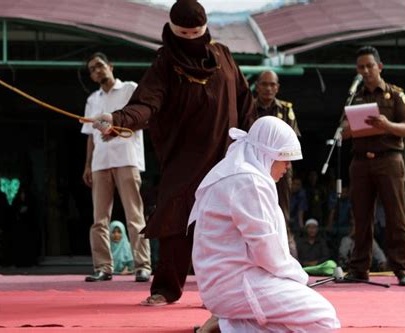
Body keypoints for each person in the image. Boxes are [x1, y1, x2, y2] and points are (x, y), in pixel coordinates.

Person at [89, 0, 256, 305]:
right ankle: (166, 288)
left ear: (205, 30)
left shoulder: (223, 56)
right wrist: (117, 119)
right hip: (184, 158)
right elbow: (146, 103)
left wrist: (257, 138)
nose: (191, 40)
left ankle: (223, 293)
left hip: (227, 156)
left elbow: (245, 102)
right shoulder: (165, 63)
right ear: (172, 31)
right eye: (184, 34)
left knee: (228, 226)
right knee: (175, 221)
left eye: (197, 33)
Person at [188, 116, 340, 333]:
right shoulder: (248, 181)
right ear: (266, 154)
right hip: (238, 283)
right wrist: (299, 278)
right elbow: (266, 252)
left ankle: (227, 324)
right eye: (284, 158)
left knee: (291, 320)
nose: (288, 166)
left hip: (229, 282)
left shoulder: (238, 171)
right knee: (323, 319)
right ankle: (228, 323)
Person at [342, 45, 405, 286]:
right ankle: (359, 268)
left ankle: (402, 268)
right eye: (361, 67)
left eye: (369, 66)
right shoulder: (355, 95)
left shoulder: (394, 94)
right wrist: (350, 130)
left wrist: (387, 125)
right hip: (361, 161)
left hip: (389, 159)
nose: (365, 71)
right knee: (361, 217)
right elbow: (342, 132)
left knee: (396, 215)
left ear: (379, 67)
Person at [81, 52, 151, 282]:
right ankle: (103, 267)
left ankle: (142, 265)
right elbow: (91, 135)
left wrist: (116, 127)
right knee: (99, 218)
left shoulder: (130, 89)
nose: (97, 71)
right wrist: (88, 165)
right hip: (101, 161)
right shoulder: (93, 99)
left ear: (110, 66)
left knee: (134, 214)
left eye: (99, 65)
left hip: (126, 157)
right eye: (92, 69)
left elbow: (143, 116)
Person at [254, 70, 300, 224]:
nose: (268, 88)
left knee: (282, 204)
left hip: (280, 163)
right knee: (255, 203)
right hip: (255, 164)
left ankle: (284, 235)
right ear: (257, 86)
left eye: (272, 84)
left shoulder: (286, 109)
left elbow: (291, 140)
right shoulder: (248, 108)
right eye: (264, 84)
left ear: (277, 87)